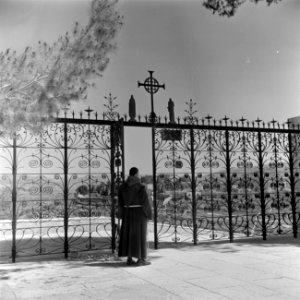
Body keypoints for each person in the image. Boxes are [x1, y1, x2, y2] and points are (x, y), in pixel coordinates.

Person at [117, 167, 152, 266]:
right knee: (139, 235)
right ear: (136, 174)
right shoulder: (141, 186)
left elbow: (120, 202)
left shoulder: (122, 187)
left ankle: (129, 258)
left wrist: (121, 213)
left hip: (127, 212)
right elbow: (145, 202)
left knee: (128, 234)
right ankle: (140, 259)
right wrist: (148, 214)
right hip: (139, 213)